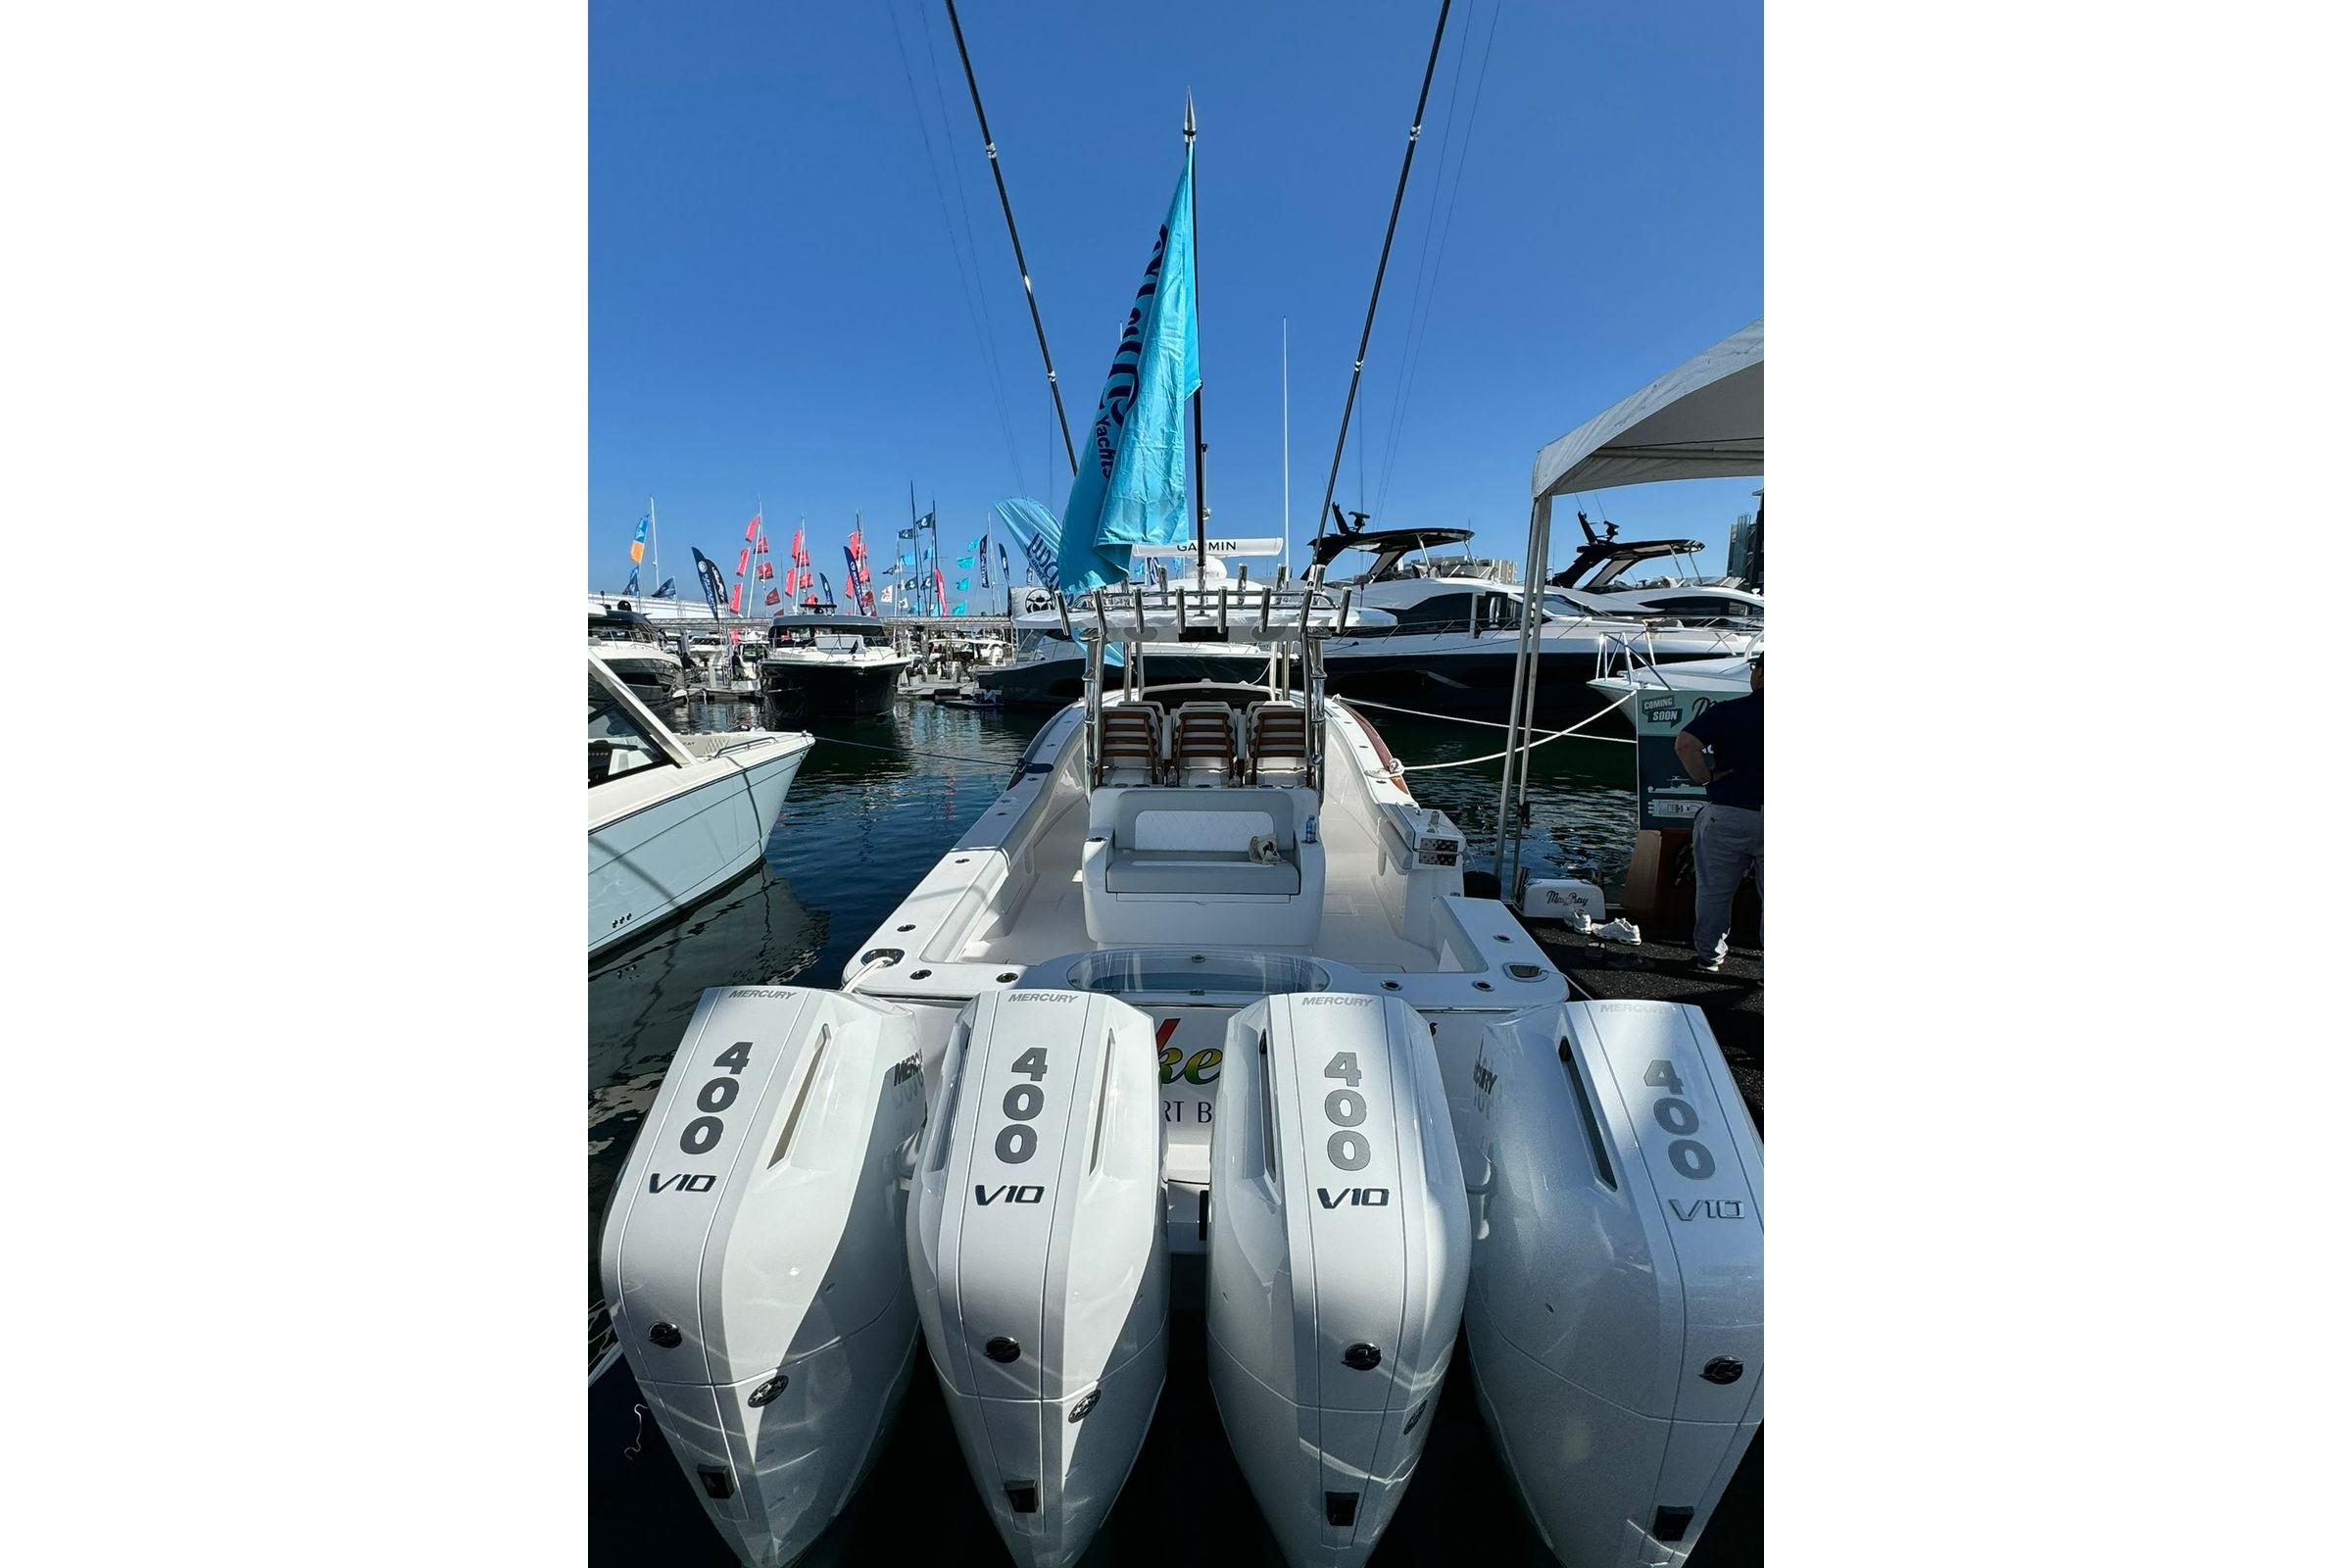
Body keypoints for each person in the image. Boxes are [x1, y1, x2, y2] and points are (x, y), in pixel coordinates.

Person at [1673, 653, 1763, 972]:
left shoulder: (1730, 712)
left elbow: (1685, 744)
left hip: (1730, 812)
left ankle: (1709, 958)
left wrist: (1705, 777)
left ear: (1762, 676)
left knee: (1714, 892)